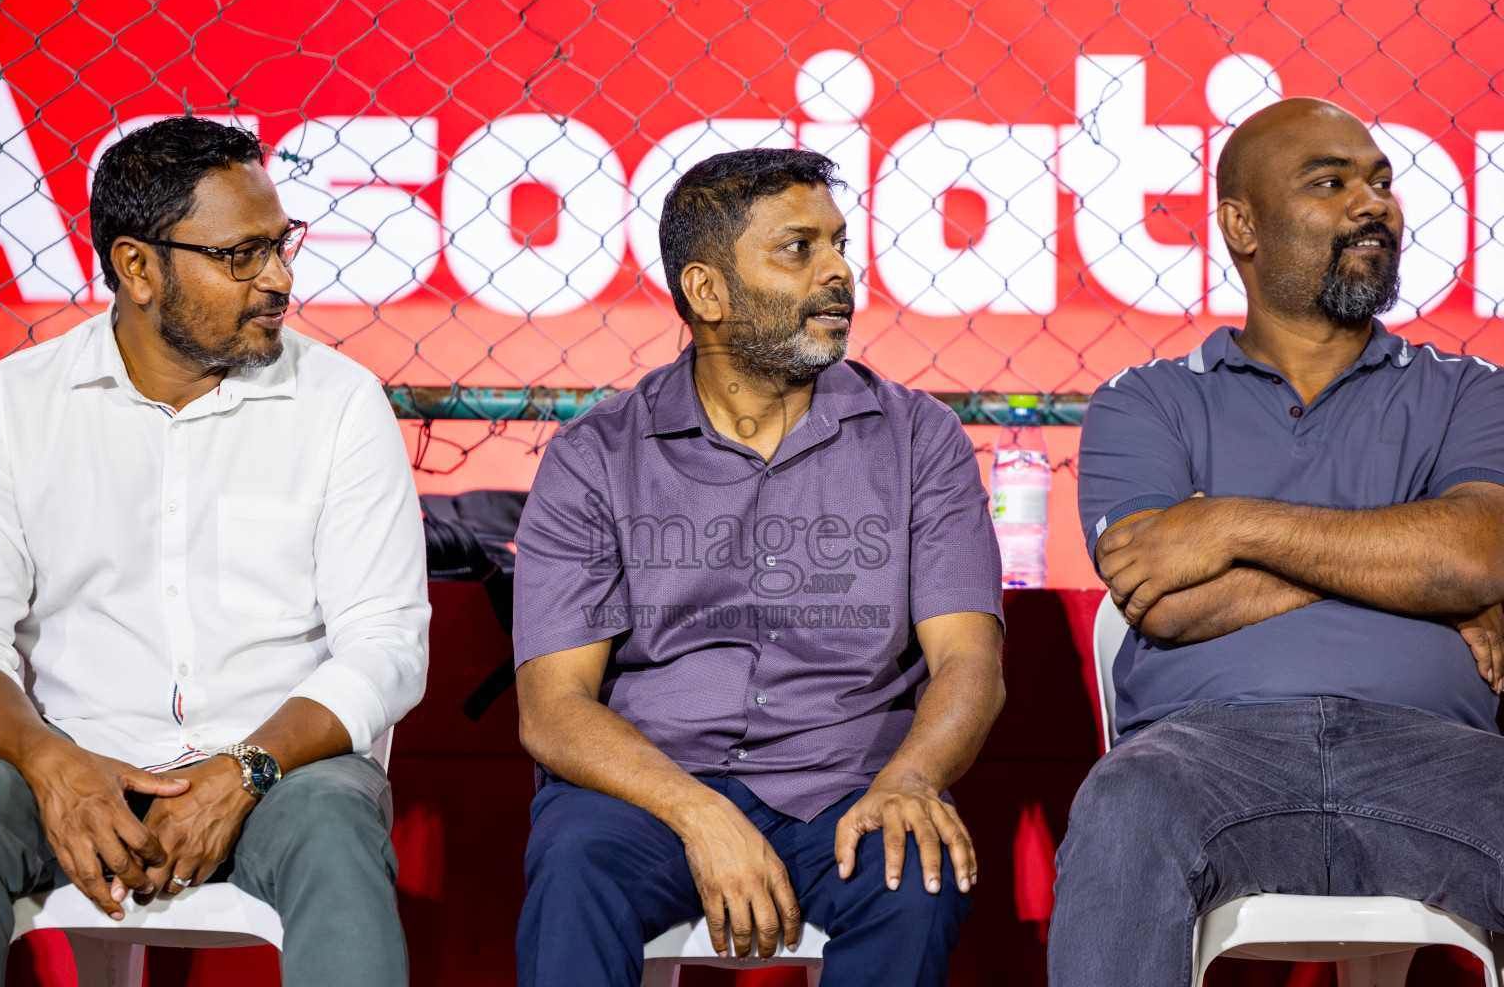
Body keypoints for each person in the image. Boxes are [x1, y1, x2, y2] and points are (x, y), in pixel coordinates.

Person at [511, 148, 1006, 986]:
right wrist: (696, 812)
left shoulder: (919, 439)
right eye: (798, 248)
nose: (838, 271)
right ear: (706, 292)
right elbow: (553, 710)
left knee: (914, 873)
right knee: (574, 864)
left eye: (839, 244)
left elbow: (970, 661)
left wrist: (912, 778)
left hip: (849, 784)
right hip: (650, 789)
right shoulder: (596, 456)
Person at [1049, 97, 1504, 986]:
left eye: (1380, 182)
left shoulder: (1469, 390)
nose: (1371, 204)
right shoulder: (1146, 400)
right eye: (1329, 184)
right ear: (1241, 226)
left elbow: (1475, 556)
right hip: (1204, 757)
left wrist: (1227, 523)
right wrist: (1409, 556)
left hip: (1439, 757)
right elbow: (1168, 602)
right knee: (1122, 802)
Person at [0, 117, 429, 986]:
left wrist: (243, 770)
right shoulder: (7, 408)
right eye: (240, 255)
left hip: (278, 776)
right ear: (138, 267)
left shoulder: (338, 403)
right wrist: (48, 761)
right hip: (72, 761)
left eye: (281, 244)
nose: (279, 277)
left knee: (336, 820)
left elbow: (387, 645)